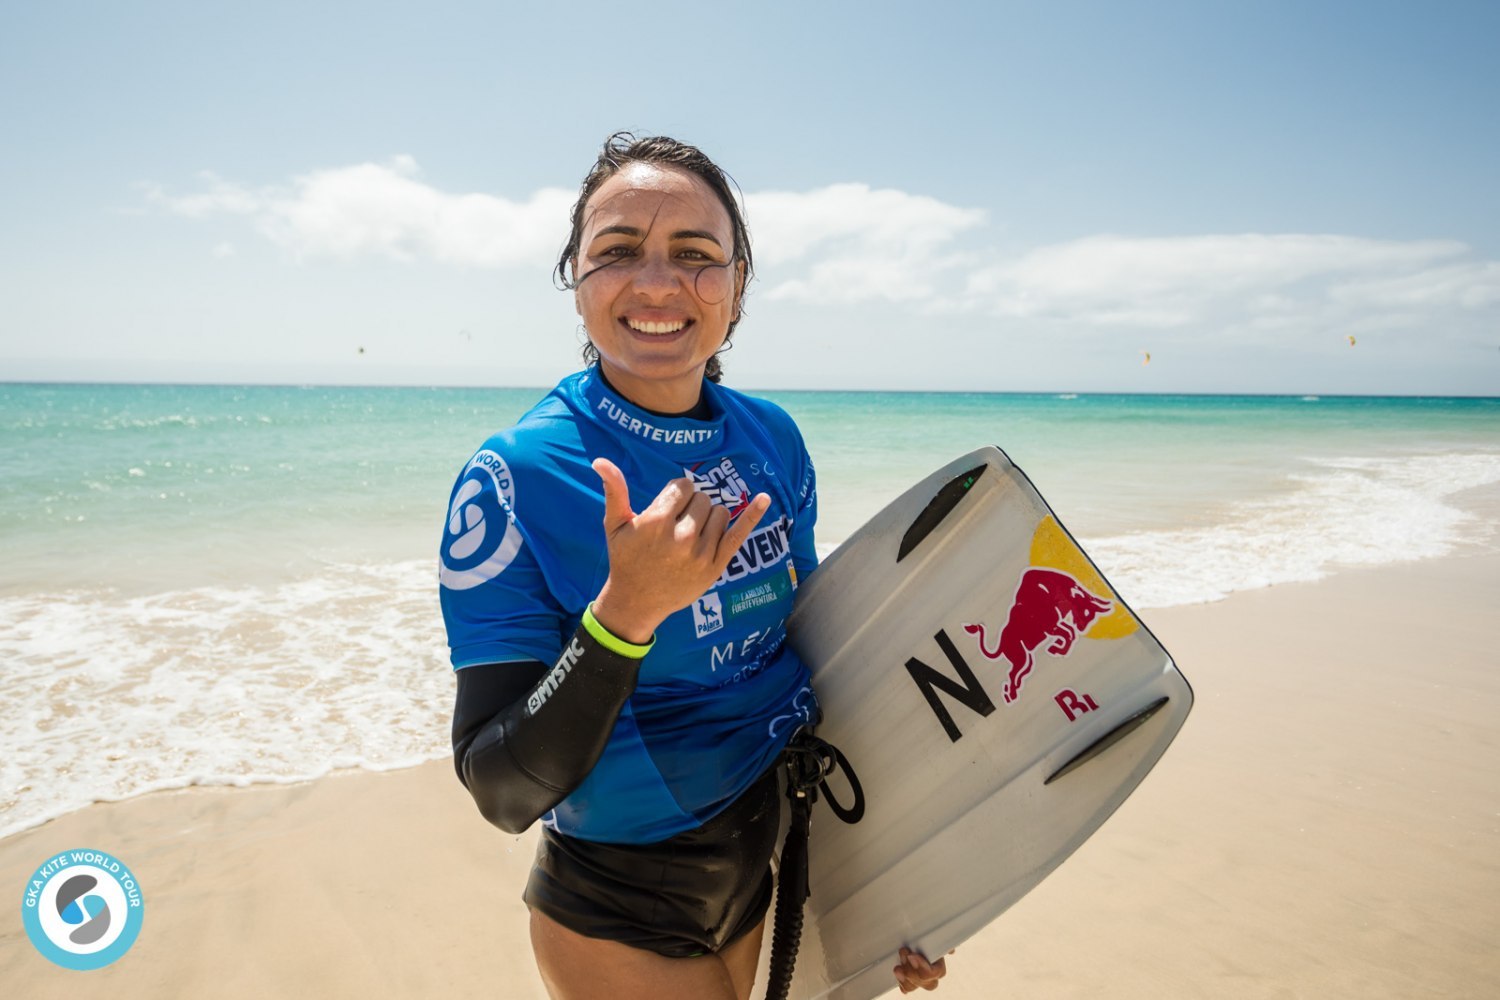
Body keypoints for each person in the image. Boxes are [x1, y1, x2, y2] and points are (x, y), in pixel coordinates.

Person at [440, 133, 950, 999]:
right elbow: (499, 791)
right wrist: (625, 616)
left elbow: (817, 662)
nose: (655, 283)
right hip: (620, 905)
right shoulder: (514, 477)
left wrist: (891, 878)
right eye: (617, 251)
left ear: (737, 284)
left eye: (694, 254)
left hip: (771, 856)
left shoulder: (771, 438)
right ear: (576, 279)